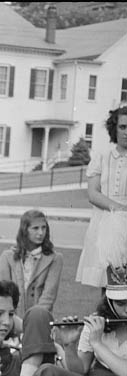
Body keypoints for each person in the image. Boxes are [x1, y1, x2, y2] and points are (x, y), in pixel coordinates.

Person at [7, 218, 127, 376]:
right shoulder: (98, 321)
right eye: (121, 302)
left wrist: (98, 345)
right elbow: (80, 369)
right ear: (109, 300)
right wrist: (67, 344)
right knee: (48, 371)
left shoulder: (98, 337)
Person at [0, 209, 63, 376]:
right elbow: (4, 296)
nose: (40, 232)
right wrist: (15, 324)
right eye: (35, 228)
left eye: (43, 228)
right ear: (24, 230)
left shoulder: (55, 259)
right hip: (12, 322)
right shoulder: (7, 257)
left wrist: (30, 330)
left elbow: (48, 299)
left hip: (39, 322)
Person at [76, 105, 127, 288]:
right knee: (108, 282)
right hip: (106, 221)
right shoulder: (102, 157)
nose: (126, 132)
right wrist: (120, 209)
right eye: (122, 127)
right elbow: (93, 194)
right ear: (114, 129)